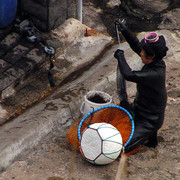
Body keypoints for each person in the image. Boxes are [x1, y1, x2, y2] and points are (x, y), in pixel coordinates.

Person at [114, 19, 169, 153]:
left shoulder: (156, 73)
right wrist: (124, 30)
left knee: (121, 147)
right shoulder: (153, 60)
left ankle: (149, 134)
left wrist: (121, 57)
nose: (140, 53)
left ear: (152, 56)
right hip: (139, 108)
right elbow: (136, 45)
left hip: (149, 120)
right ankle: (151, 140)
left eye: (143, 53)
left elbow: (129, 75)